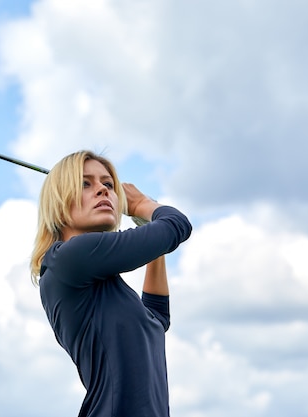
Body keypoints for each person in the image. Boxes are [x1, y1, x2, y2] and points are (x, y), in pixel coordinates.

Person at [30, 150, 192, 417]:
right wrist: (142, 204)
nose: (102, 191)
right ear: (58, 201)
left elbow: (156, 319)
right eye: (85, 183)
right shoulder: (70, 257)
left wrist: (154, 246)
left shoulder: (94, 279)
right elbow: (177, 225)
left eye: (108, 184)